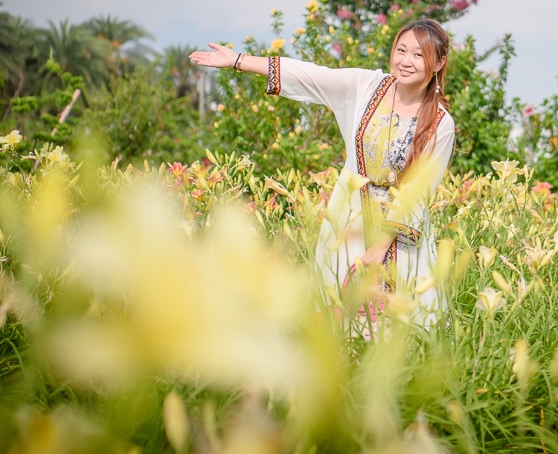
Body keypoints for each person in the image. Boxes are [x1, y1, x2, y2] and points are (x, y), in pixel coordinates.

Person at [189, 19, 456, 325]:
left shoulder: (440, 123)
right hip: (350, 223)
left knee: (400, 326)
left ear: (439, 62)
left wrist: (380, 249)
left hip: (400, 239)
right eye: (401, 50)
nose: (406, 61)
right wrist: (238, 61)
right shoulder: (365, 86)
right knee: (339, 317)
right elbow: (310, 74)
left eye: (419, 55)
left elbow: (418, 191)